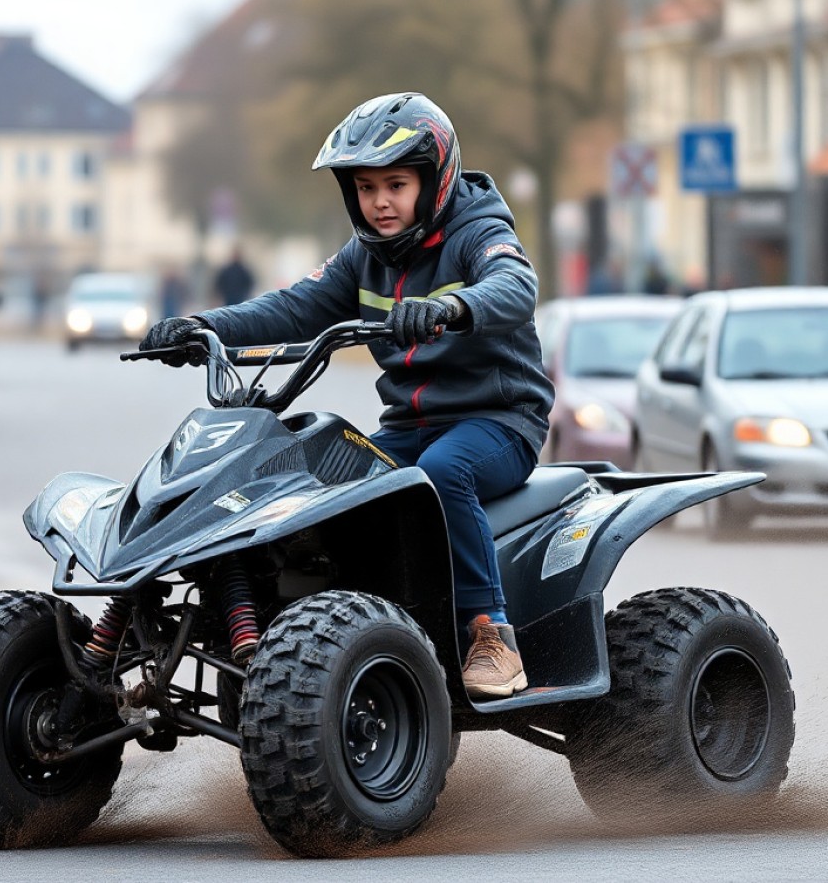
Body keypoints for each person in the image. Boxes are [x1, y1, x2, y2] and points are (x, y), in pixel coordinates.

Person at [140, 92, 555, 700]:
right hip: (410, 425)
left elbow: (516, 285)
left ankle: (490, 634)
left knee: (441, 474)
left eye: (395, 184)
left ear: (434, 181)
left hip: (498, 422)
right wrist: (205, 328)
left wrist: (452, 306)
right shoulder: (365, 257)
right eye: (365, 188)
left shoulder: (479, 232)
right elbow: (290, 306)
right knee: (325, 481)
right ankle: (340, 637)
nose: (380, 202)